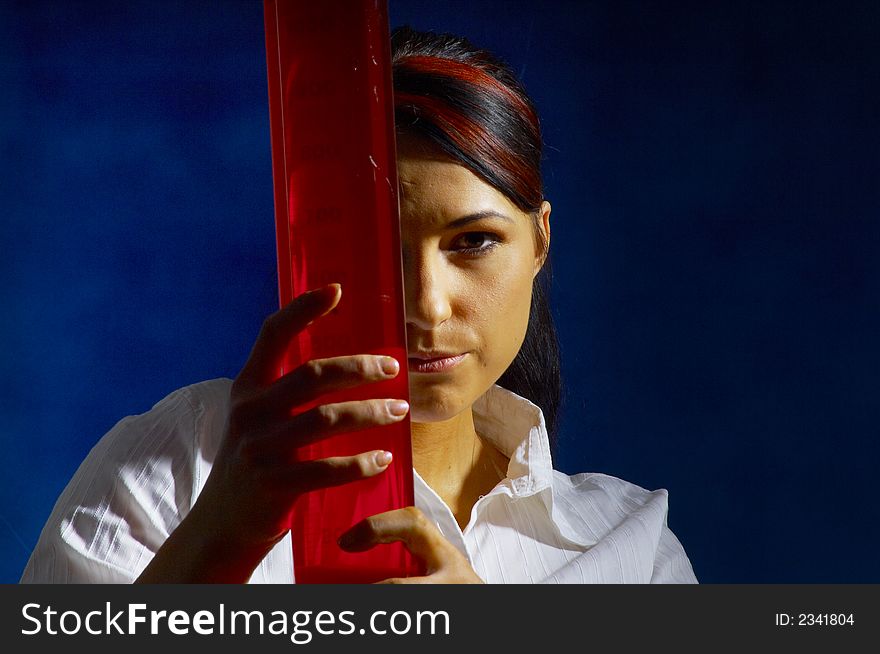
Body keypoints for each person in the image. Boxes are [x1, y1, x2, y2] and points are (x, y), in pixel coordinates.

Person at [21, 26, 697, 584]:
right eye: (378, 250)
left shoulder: (629, 548)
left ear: (540, 240)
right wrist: (217, 537)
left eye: (474, 242)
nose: (427, 307)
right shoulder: (184, 464)